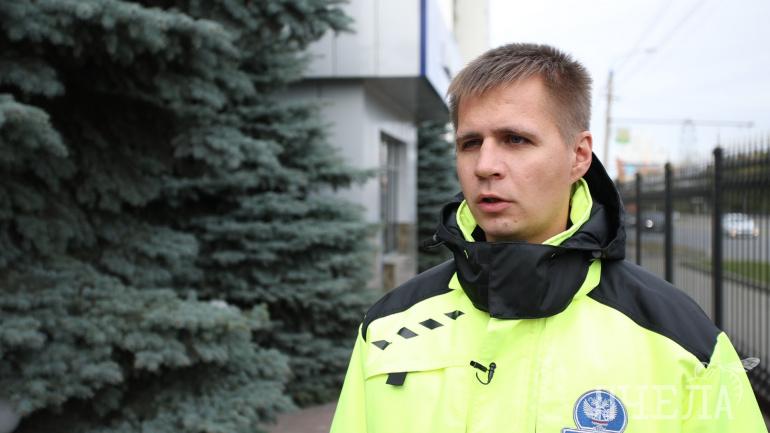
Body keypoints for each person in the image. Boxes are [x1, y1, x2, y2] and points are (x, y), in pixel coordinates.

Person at [329, 43, 766, 433]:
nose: (485, 165)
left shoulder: (683, 344)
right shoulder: (388, 328)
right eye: (470, 143)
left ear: (579, 156)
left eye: (515, 139)